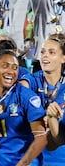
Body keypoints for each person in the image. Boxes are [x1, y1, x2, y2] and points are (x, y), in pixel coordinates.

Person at [0, 50, 47, 165]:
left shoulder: (26, 97)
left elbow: (41, 138)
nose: (11, 71)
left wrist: (22, 164)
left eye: (15, 68)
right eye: (5, 66)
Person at [19, 33, 65, 165]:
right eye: (43, 52)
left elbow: (59, 137)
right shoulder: (32, 79)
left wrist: (52, 119)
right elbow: (21, 91)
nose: (45, 55)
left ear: (63, 58)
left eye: (52, 52)